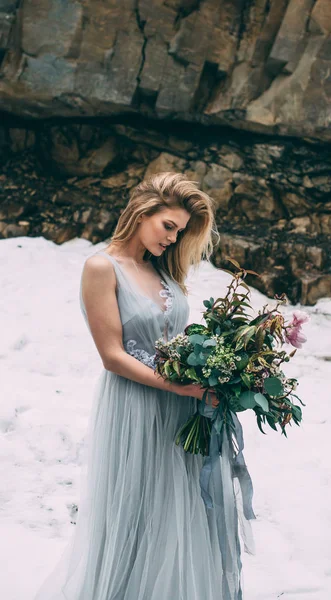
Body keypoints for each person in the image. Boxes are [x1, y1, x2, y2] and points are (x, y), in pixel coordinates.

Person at [34, 171, 255, 600]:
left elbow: (178, 340)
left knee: (180, 510)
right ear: (141, 212)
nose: (173, 239)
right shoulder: (102, 267)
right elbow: (112, 355)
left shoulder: (163, 271)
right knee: (136, 509)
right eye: (168, 226)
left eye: (180, 232)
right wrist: (178, 387)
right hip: (135, 405)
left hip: (181, 408)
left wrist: (212, 368)